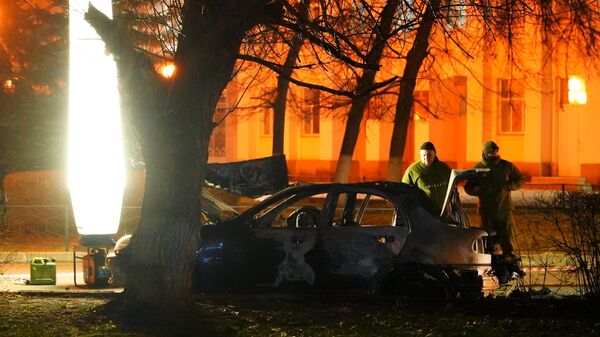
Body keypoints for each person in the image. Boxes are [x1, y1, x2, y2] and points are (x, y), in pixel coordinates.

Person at [464, 140, 524, 259]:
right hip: (486, 210)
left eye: (496, 151)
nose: (494, 154)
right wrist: (479, 191)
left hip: (504, 209)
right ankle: (489, 259)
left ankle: (509, 259)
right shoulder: (478, 168)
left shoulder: (506, 166)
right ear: (485, 153)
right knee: (487, 237)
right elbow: (468, 187)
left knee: (506, 236)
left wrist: (508, 186)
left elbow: (520, 179)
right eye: (491, 152)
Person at [402, 141, 451, 214]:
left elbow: (451, 187)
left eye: (429, 155)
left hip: (443, 212)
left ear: (434, 154)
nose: (426, 158)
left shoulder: (444, 168)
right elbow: (404, 190)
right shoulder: (413, 170)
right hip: (424, 213)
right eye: (423, 155)